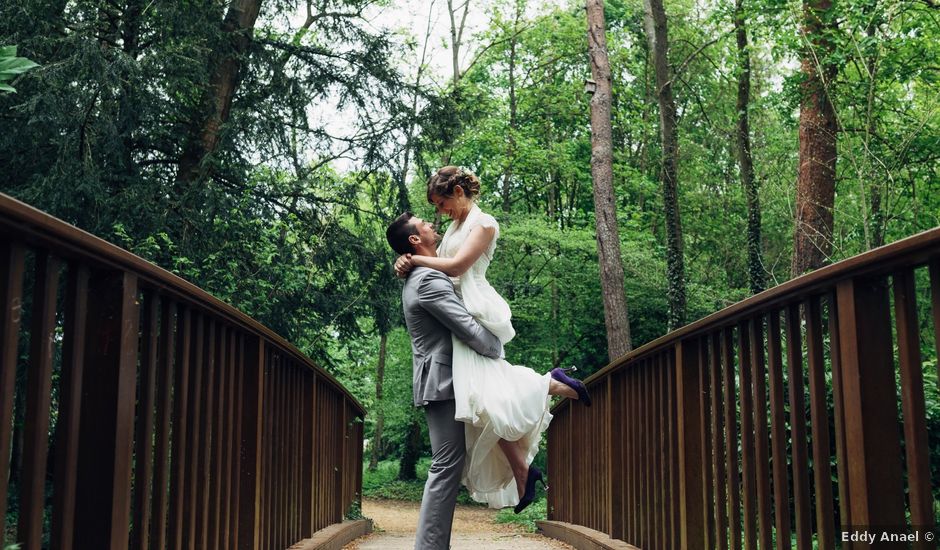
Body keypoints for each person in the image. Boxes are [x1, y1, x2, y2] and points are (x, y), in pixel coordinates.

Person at [393, 166, 591, 513]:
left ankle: (548, 385)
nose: (440, 214)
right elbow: (438, 265)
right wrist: (408, 260)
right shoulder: (455, 226)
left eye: (441, 204)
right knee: (482, 400)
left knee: (481, 396)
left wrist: (413, 259)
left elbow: (454, 268)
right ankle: (524, 469)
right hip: (455, 306)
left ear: (458, 191)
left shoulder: (484, 224)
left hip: (475, 306)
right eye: (435, 210)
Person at [386, 211, 505, 550]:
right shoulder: (426, 279)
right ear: (414, 239)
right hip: (442, 379)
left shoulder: (421, 273)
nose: (432, 223)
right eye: (424, 223)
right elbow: (465, 327)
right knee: (445, 466)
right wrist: (497, 348)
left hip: (444, 378)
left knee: (448, 464)